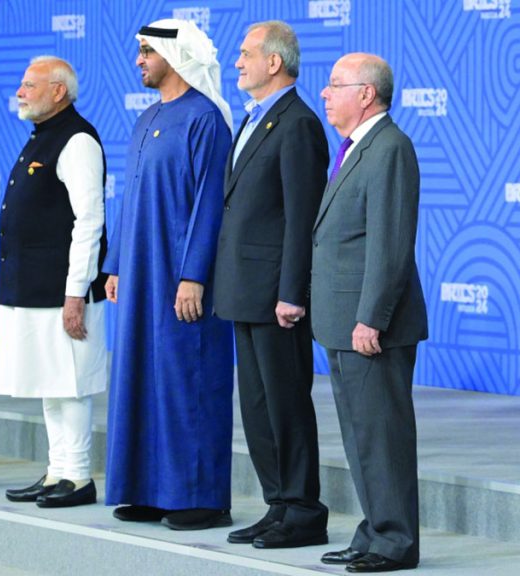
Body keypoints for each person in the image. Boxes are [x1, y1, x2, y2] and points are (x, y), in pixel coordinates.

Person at [102, 19, 234, 530]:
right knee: (141, 377)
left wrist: (193, 274)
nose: (139, 60)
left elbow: (210, 205)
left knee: (186, 380)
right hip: (140, 276)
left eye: (146, 51)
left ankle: (200, 496)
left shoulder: (205, 119)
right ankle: (149, 490)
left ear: (174, 56)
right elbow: (130, 197)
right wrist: (115, 264)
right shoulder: (147, 118)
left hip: (180, 278)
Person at [213, 21, 329, 549]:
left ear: (274, 62)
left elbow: (302, 219)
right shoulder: (254, 118)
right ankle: (278, 505)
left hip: (276, 296)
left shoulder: (298, 123)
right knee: (258, 408)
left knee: (286, 405)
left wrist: (292, 292)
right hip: (244, 289)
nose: (237, 62)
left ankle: (303, 511)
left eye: (245, 53)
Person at [313, 53, 426, 573]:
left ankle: (395, 541)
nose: (325, 93)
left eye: (335, 84)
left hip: (371, 326)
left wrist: (372, 318)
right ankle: (375, 531)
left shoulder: (390, 147)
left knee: (382, 438)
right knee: (362, 438)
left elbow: (390, 244)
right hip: (343, 322)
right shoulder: (356, 147)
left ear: (366, 93)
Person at [0, 56, 108, 508]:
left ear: (58, 91)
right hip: (33, 288)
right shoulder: (42, 136)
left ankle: (78, 477)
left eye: (30, 85)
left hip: (62, 290)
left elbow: (89, 221)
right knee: (50, 383)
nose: (20, 92)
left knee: (70, 384)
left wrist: (75, 292)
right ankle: (57, 470)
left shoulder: (77, 140)